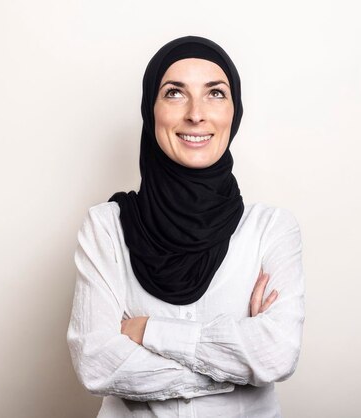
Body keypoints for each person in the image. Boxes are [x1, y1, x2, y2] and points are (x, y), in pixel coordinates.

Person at [67, 35, 306, 418]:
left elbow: (277, 354)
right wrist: (236, 369)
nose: (196, 114)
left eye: (215, 94)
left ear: (234, 111)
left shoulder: (271, 229)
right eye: (175, 93)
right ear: (151, 109)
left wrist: (149, 332)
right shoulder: (106, 227)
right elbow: (96, 363)